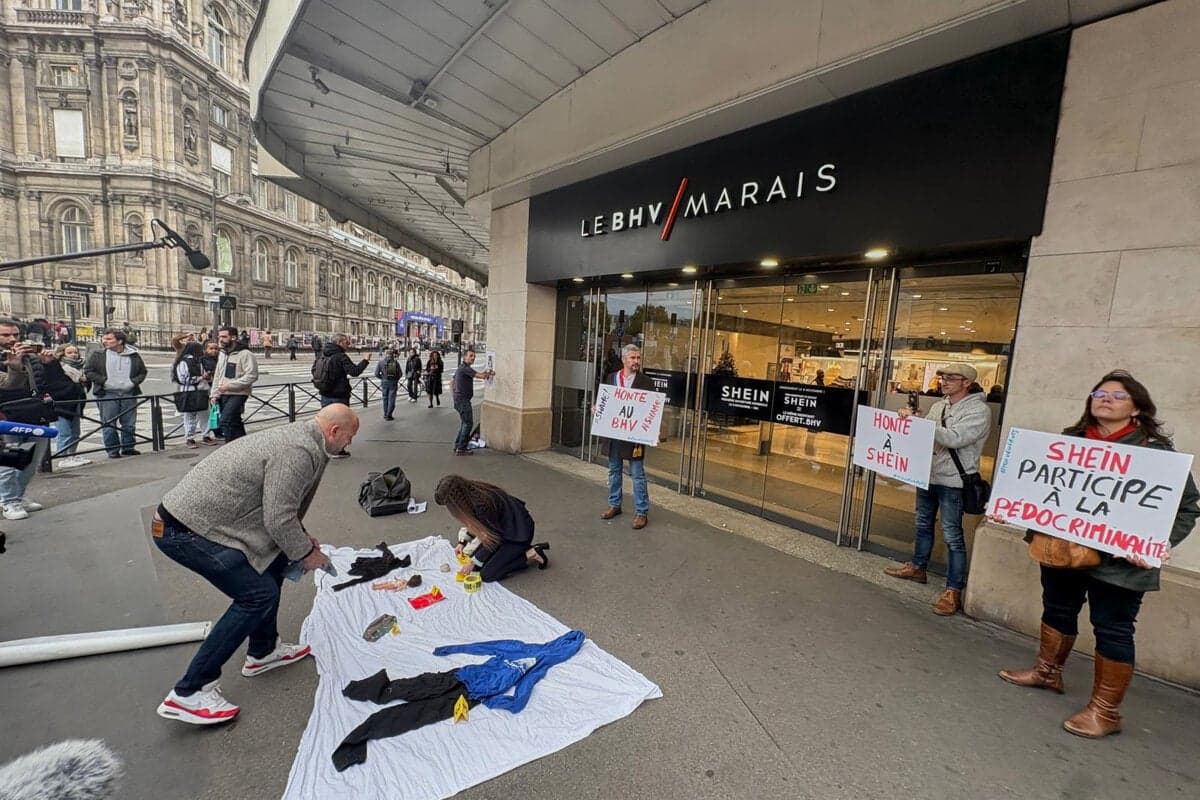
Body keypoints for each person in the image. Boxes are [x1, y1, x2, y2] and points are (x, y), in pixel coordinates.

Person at [996, 371, 1198, 738]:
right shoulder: (1068, 442)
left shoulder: (1156, 455)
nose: (1105, 399)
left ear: (1137, 408)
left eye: (1117, 396)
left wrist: (1158, 542)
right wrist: (1013, 509)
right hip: (1062, 549)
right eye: (1099, 393)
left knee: (1113, 628)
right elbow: (1039, 487)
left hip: (1121, 562)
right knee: (1057, 609)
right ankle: (1047, 672)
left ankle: (1105, 712)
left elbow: (1187, 508)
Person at [153, 405, 358, 726]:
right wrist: (307, 553)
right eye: (349, 437)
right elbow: (278, 518)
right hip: (183, 529)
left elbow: (278, 508)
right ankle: (190, 691)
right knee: (256, 595)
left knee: (273, 564)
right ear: (334, 432)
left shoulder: (302, 437)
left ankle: (262, 652)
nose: (349, 444)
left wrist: (302, 541)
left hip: (197, 522)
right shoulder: (299, 452)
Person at [884, 363, 992, 615]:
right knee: (922, 524)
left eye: (952, 378)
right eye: (943, 377)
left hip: (954, 480)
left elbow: (956, 438)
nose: (944, 382)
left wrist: (921, 424)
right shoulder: (939, 405)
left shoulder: (979, 410)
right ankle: (918, 567)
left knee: (952, 535)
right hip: (929, 474)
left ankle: (954, 589)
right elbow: (926, 435)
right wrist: (911, 421)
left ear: (967, 382)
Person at [436, 474, 548, 582]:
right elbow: (477, 524)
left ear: (455, 501)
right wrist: (463, 542)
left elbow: (494, 539)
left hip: (518, 534)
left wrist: (472, 562)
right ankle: (509, 555)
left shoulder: (481, 505)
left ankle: (531, 553)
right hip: (505, 530)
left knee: (487, 575)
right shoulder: (472, 491)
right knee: (476, 565)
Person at [0, 321, 52, 519]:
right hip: (6, 416)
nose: (12, 339)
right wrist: (14, 367)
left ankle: (18, 496)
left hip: (33, 411)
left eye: (15, 334)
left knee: (30, 461)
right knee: (9, 461)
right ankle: (9, 501)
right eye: (5, 335)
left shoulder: (28, 355)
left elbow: (45, 382)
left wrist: (49, 364)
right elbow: (8, 386)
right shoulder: (11, 358)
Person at [599, 344, 654, 530]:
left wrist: (653, 428)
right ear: (624, 359)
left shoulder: (646, 382)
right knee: (614, 470)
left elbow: (651, 409)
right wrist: (597, 409)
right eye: (633, 358)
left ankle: (641, 512)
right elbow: (605, 402)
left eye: (638, 358)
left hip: (634, 435)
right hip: (614, 434)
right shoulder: (611, 378)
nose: (636, 361)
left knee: (637, 474)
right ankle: (614, 504)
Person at [85, 328, 148, 459]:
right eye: (104, 338)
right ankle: (112, 449)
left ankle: (128, 447)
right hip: (107, 393)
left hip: (128, 392)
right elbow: (89, 371)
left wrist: (133, 382)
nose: (105, 341)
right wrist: (104, 381)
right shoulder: (98, 354)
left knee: (129, 423)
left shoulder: (133, 355)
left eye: (109, 339)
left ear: (119, 341)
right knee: (108, 423)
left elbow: (142, 371)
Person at [314, 334, 369, 457]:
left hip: (324, 393)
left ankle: (325, 448)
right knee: (342, 424)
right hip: (339, 395)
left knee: (325, 423)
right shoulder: (340, 356)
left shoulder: (322, 354)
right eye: (346, 342)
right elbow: (354, 371)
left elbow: (314, 370)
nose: (348, 344)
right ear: (339, 342)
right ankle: (338, 450)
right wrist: (365, 360)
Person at [42, 345, 90, 469]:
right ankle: (62, 457)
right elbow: (57, 385)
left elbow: (86, 384)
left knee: (75, 432)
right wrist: (77, 386)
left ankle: (72, 454)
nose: (74, 354)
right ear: (62, 354)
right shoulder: (60, 367)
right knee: (65, 432)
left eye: (75, 352)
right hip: (62, 404)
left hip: (77, 402)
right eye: (69, 352)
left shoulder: (80, 368)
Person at [212, 326, 259, 443]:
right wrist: (214, 394)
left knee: (225, 421)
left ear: (233, 337)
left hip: (239, 393)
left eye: (224, 337)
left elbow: (252, 375)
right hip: (223, 392)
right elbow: (218, 374)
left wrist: (230, 386)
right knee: (235, 421)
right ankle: (244, 445)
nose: (220, 340)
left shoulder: (245, 354)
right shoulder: (222, 354)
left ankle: (230, 448)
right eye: (219, 337)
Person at [451, 349, 494, 456]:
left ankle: (458, 445)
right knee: (468, 424)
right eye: (470, 356)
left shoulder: (463, 368)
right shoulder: (465, 368)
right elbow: (481, 376)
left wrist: (455, 397)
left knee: (464, 423)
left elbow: (451, 382)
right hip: (463, 400)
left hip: (460, 399)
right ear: (465, 357)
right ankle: (461, 448)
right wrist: (490, 373)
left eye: (474, 356)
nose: (473, 358)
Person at [173, 342, 210, 449]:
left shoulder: (199, 360)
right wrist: (201, 378)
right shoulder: (184, 362)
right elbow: (183, 379)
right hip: (190, 391)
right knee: (190, 415)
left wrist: (205, 377)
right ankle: (190, 437)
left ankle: (205, 435)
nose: (202, 351)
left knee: (204, 414)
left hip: (202, 390)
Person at [200, 339, 223, 445]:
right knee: (214, 411)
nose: (214, 351)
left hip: (220, 387)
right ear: (205, 349)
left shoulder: (220, 358)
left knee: (220, 410)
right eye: (211, 348)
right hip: (209, 388)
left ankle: (219, 431)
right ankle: (215, 432)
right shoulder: (203, 360)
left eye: (216, 348)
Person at [374, 346, 402, 421]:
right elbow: (400, 374)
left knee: (385, 398)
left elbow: (376, 373)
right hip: (393, 382)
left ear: (385, 354)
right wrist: (396, 379)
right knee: (391, 399)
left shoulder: (380, 362)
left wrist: (383, 378)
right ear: (392, 355)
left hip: (384, 382)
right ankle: (389, 415)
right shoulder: (395, 362)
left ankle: (385, 413)